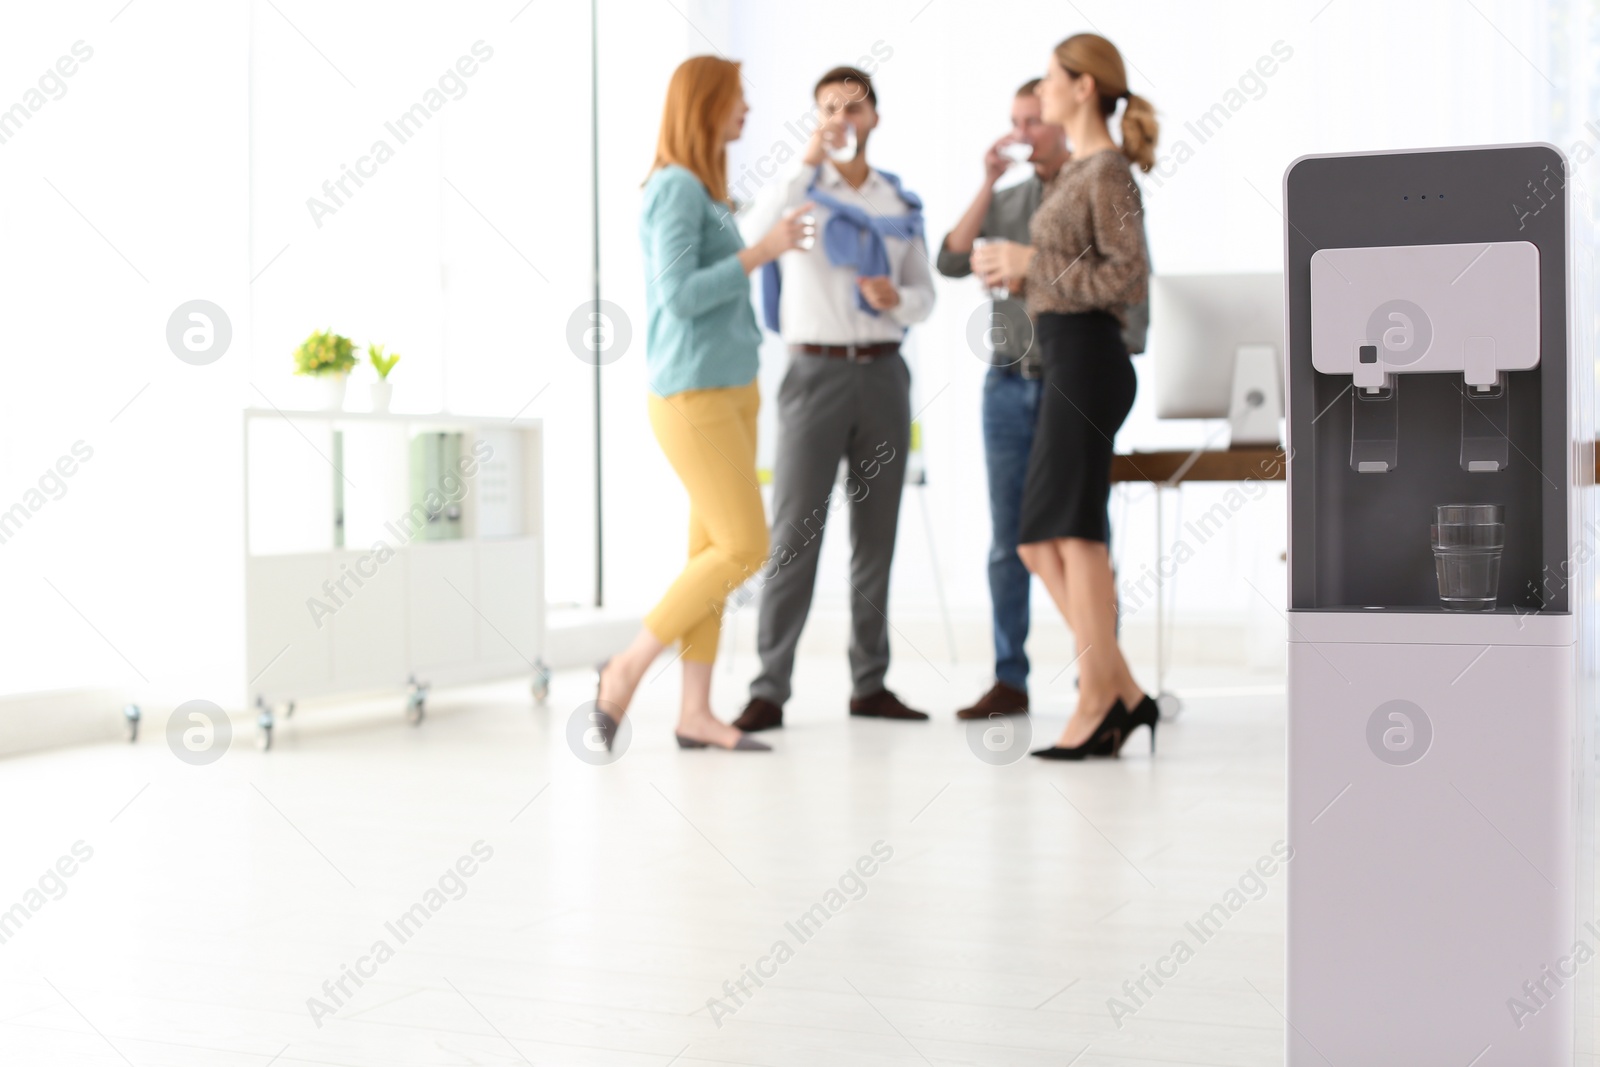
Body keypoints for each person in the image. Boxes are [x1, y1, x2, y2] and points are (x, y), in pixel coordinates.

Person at [593, 55, 814, 752]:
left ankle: (695, 712)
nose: (747, 109)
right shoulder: (675, 189)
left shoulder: (703, 190)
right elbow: (680, 296)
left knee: (710, 552)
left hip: (730, 390)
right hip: (693, 395)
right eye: (737, 98)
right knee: (747, 546)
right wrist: (763, 252)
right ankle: (627, 667)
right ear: (707, 104)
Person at [731, 65, 936, 733]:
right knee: (794, 534)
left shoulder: (896, 202)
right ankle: (769, 687)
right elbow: (755, 239)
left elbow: (925, 294)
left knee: (876, 536)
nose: (843, 118)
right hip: (811, 375)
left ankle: (870, 683)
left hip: (882, 373)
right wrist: (807, 157)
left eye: (854, 107)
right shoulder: (796, 190)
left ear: (874, 116)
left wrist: (895, 300)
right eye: (829, 108)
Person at [975, 34, 1160, 759]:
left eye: (1053, 79)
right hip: (1064, 357)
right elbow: (1073, 270)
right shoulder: (1079, 171)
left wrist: (1031, 262)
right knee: (1036, 537)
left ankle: (1096, 700)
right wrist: (1021, 271)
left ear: (1084, 87)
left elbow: (1128, 278)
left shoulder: (1108, 171)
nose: (1043, 91)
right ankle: (1123, 691)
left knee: (1075, 534)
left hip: (1089, 358)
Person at [937, 79, 1070, 722]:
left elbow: (1124, 291)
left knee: (1078, 536)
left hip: (1068, 382)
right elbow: (950, 259)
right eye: (1015, 122)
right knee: (1008, 539)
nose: (1023, 134)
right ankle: (1009, 679)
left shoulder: (1087, 195)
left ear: (1064, 122)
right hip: (1006, 380)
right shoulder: (1011, 200)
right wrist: (987, 180)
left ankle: (1099, 674)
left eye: (1034, 120)